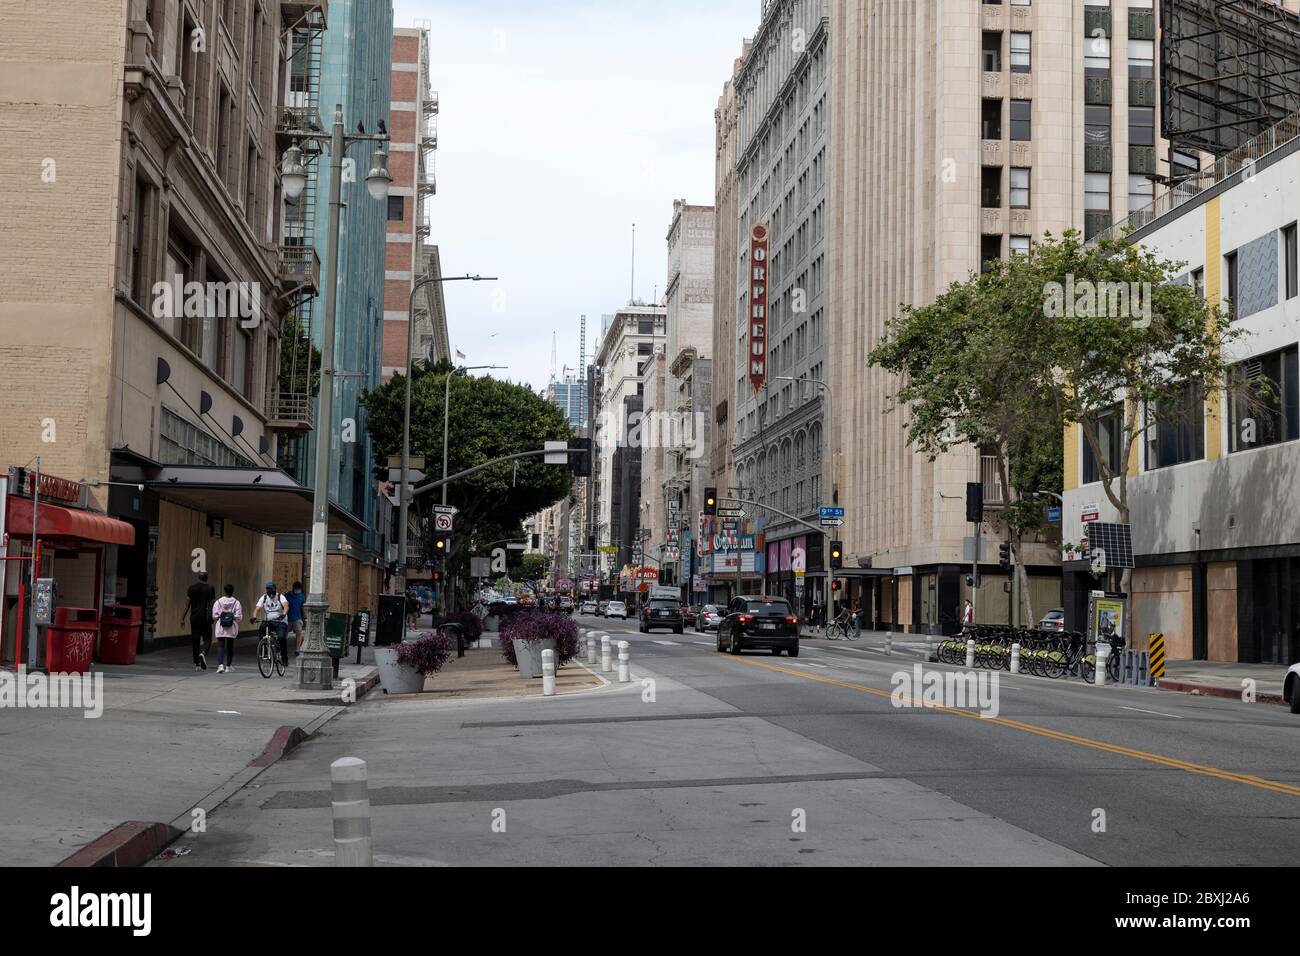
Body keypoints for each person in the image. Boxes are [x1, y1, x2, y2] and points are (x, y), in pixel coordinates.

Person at [180, 571, 216, 671]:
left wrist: (182, 618)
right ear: (207, 578)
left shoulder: (191, 588)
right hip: (205, 617)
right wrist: (214, 616)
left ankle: (196, 664)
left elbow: (187, 604)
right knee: (208, 638)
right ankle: (203, 653)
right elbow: (212, 604)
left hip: (194, 617)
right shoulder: (210, 588)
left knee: (195, 639)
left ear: (198, 577)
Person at [252, 581, 290, 668]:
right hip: (269, 621)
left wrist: (283, 614)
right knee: (262, 627)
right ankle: (263, 645)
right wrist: (254, 617)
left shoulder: (280, 596)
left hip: (280, 622)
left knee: (281, 637)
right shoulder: (264, 597)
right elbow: (257, 608)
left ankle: (284, 657)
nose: (270, 594)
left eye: (272, 591)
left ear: (275, 590)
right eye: (268, 591)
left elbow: (286, 606)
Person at [212, 584, 242, 673]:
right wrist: (232, 617)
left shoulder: (218, 602)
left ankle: (220, 665)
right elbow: (239, 617)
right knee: (230, 647)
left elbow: (214, 616)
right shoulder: (236, 602)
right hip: (232, 627)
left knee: (220, 646)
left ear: (224, 591)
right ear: (232, 591)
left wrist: (221, 617)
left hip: (221, 627)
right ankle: (228, 667)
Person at [286, 581, 306, 658]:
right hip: (288, 618)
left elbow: (302, 607)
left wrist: (304, 617)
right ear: (294, 589)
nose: (298, 590)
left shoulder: (301, 596)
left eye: (299, 589)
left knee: (299, 633)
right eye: (297, 589)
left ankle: (298, 649)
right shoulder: (287, 595)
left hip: (297, 618)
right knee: (285, 633)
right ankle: (282, 647)